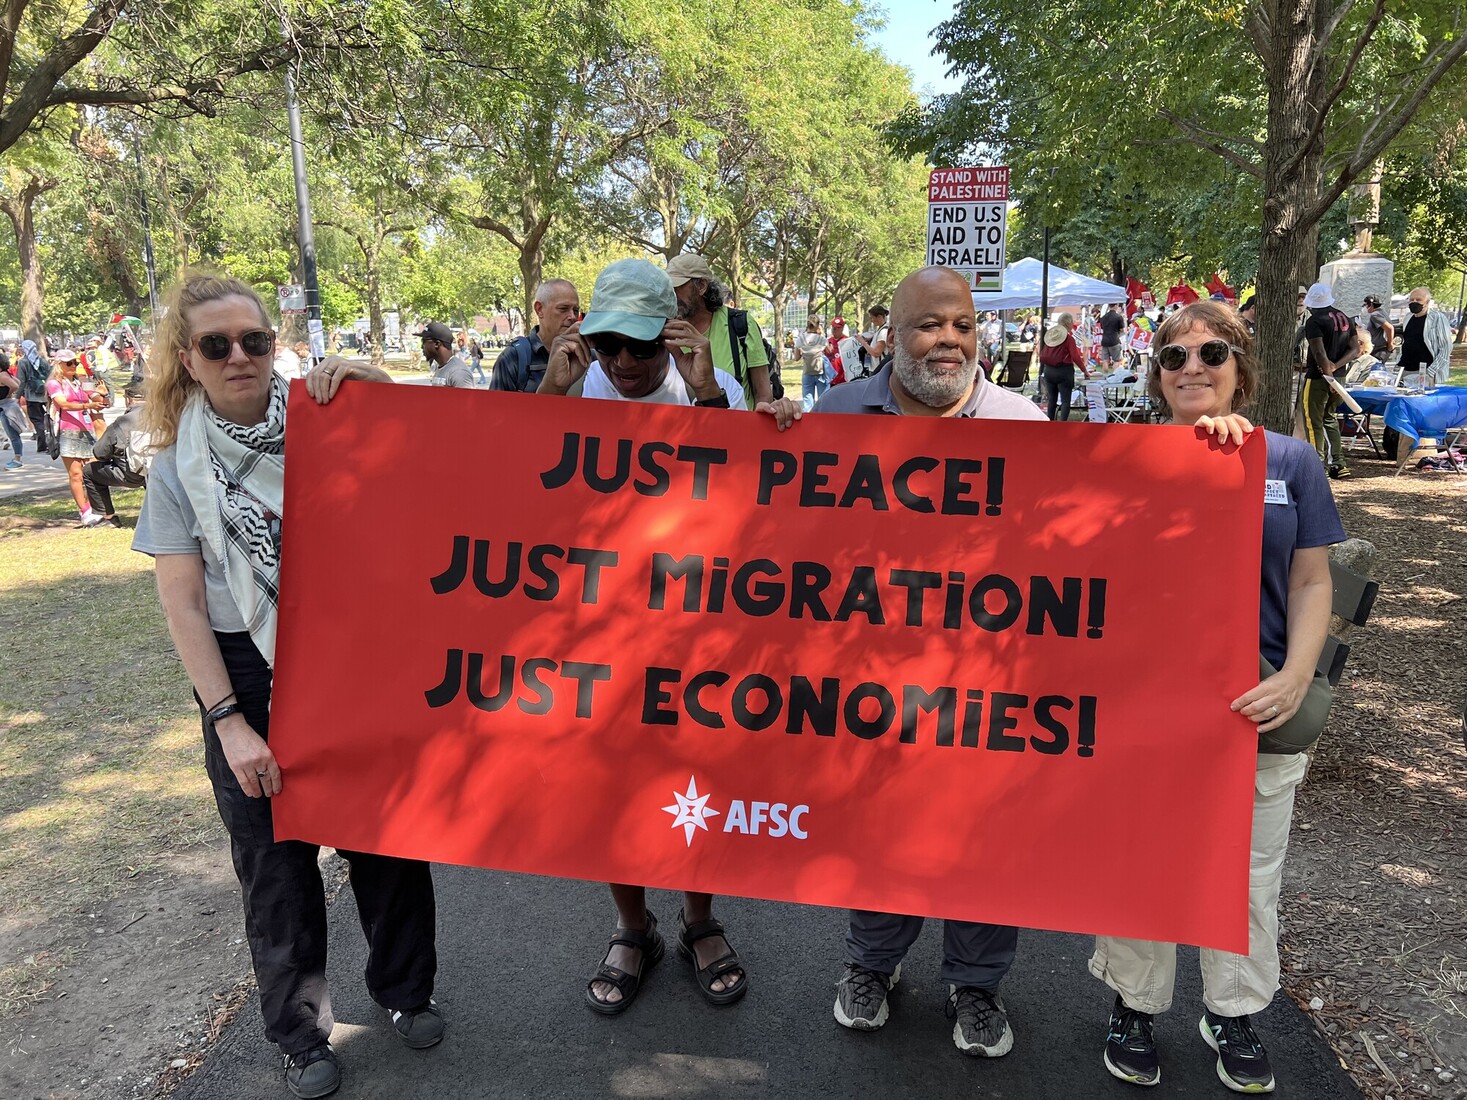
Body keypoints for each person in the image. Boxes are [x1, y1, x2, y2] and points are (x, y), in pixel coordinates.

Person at [133, 274, 442, 1099]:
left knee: (384, 840)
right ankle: (301, 1032)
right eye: (216, 345)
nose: (239, 356)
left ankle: (406, 994)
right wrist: (229, 721)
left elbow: (442, 455)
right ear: (187, 360)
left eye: (255, 341)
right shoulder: (177, 469)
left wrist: (373, 387)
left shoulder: (330, 420)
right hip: (245, 673)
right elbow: (185, 603)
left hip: (349, 660)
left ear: (277, 344)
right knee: (275, 865)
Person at [1093, 299, 1343, 1095]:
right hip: (1144, 713)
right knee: (1140, 862)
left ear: (1240, 369)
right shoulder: (1120, 460)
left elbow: (1310, 580)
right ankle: (1134, 1004)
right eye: (1173, 356)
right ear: (1156, 374)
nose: (1191, 367)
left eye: (1210, 353)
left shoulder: (1290, 461)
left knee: (1247, 873)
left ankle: (1232, 1010)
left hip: (1256, 711)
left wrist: (1299, 673)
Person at [536, 258, 788, 1017]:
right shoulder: (569, 387)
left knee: (693, 776)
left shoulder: (711, 389)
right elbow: (506, 486)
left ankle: (699, 920)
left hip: (698, 632)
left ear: (670, 336)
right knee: (611, 780)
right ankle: (630, 927)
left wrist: (716, 393)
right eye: (609, 345)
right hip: (599, 630)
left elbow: (761, 493)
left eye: (640, 347)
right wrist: (551, 389)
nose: (622, 363)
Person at [819, 265, 1046, 1061]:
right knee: (881, 827)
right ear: (890, 335)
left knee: (982, 835)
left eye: (961, 325)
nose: (947, 340)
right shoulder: (836, 412)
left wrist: (1209, 447)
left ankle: (976, 984)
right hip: (870, 676)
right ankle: (870, 967)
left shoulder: (1026, 422)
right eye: (927, 325)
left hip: (988, 678)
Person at [665, 254, 773, 409]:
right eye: (668, 288)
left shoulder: (740, 324)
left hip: (734, 428)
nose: (671, 294)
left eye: (677, 286)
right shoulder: (666, 328)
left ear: (701, 286)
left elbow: (763, 393)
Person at [1299, 282, 1355, 479]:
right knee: (1329, 418)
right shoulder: (1346, 318)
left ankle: (1316, 465)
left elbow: (1319, 351)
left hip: (1319, 377)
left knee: (1312, 420)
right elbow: (1355, 349)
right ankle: (1338, 463)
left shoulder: (1315, 321)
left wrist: (1328, 371)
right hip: (1340, 376)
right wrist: (1337, 368)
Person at [46, 350, 108, 525]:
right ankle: (85, 512)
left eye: (75, 363)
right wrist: (88, 404)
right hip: (67, 431)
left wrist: (102, 395)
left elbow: (95, 395)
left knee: (91, 471)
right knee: (75, 474)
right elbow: (63, 404)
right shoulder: (54, 383)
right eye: (69, 363)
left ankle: (95, 508)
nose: (73, 366)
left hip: (86, 429)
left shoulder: (80, 381)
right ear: (59, 365)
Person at [491, 279, 580, 392]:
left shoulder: (586, 357)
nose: (572, 316)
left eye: (576, 310)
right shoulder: (513, 358)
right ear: (539, 309)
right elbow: (496, 408)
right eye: (563, 309)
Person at [81, 382, 150, 526]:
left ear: (128, 400)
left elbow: (100, 452)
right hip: (158, 469)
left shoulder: (122, 422)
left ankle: (108, 517)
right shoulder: (162, 416)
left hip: (131, 473)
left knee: (88, 471)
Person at [1038, 312, 1090, 421]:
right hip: (1064, 371)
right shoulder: (1069, 339)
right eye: (1072, 322)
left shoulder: (1050, 337)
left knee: (1052, 399)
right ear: (1068, 323)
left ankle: (1050, 422)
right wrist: (1085, 371)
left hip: (1049, 370)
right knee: (1065, 400)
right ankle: (1063, 425)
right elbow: (1075, 357)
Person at [1397, 286, 1453, 388]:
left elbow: (1446, 348)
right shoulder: (1408, 317)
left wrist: (1431, 372)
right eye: (1411, 300)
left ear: (1427, 302)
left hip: (1427, 372)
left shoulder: (1437, 318)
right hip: (1406, 370)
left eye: (1418, 300)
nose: (1414, 302)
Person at [417, 321, 474, 387]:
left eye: (423, 341)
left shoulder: (459, 373)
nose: (421, 346)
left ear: (437, 344)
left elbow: (467, 397)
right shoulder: (441, 367)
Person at [17, 338, 50, 451]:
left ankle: (43, 443)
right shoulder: (43, 361)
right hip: (45, 394)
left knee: (36, 419)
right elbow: (50, 376)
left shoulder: (23, 362)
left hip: (32, 395)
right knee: (48, 418)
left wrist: (17, 396)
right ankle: (49, 442)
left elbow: (21, 381)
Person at [849, 305, 891, 380]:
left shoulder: (883, 331)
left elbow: (876, 353)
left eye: (872, 318)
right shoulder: (880, 330)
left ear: (879, 317)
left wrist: (863, 342)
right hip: (876, 369)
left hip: (879, 370)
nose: (871, 320)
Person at [1, 352, 26, 468]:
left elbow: (15, 386)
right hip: (6, 405)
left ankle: (17, 459)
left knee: (13, 434)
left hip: (6, 406)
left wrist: (8, 394)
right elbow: (18, 382)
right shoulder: (5, 374)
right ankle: (17, 458)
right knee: (12, 434)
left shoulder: (2, 375)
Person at [798, 318, 829, 410]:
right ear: (818, 325)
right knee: (822, 400)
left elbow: (796, 358)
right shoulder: (822, 339)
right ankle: (822, 421)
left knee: (807, 402)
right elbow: (829, 351)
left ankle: (808, 422)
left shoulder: (801, 339)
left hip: (807, 372)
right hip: (820, 372)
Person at [1097, 302, 1126, 368]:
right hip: (1114, 340)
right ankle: (1114, 375)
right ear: (1116, 306)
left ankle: (1105, 374)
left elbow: (1102, 327)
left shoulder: (1103, 317)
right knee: (1116, 360)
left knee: (1105, 360)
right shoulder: (1118, 317)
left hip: (1105, 340)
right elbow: (1122, 329)